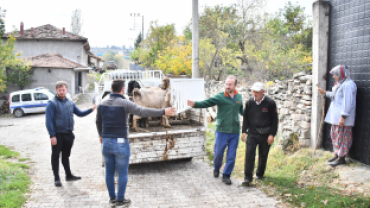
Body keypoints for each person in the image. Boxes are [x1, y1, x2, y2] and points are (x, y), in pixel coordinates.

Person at [96, 79, 176, 208]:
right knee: (122, 172)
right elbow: (143, 111)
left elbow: (98, 121)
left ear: (112, 89)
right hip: (121, 142)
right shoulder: (125, 103)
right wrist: (163, 112)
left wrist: (101, 135)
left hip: (106, 142)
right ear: (122, 90)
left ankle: (112, 199)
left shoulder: (102, 103)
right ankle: (120, 200)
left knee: (109, 172)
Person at [187, 75, 243, 185]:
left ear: (235, 86)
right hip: (222, 131)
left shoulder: (239, 97)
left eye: (230, 84)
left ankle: (226, 175)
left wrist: (249, 114)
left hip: (235, 131)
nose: (227, 86)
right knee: (218, 153)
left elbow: (241, 110)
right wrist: (195, 104)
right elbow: (207, 102)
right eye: (226, 84)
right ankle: (216, 167)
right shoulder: (220, 97)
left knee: (231, 155)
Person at [45, 81, 97, 187]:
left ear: (66, 90)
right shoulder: (52, 103)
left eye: (63, 90)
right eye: (60, 90)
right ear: (56, 91)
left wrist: (92, 109)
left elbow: (80, 113)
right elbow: (48, 120)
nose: (62, 92)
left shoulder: (70, 103)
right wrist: (52, 135)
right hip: (58, 135)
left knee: (65, 156)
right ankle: (56, 178)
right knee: (55, 156)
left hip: (69, 134)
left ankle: (68, 175)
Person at [318, 65, 357, 166]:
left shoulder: (349, 85)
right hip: (336, 117)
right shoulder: (340, 84)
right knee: (335, 135)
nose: (333, 77)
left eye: (335, 75)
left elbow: (348, 102)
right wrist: (325, 92)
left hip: (343, 118)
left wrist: (343, 117)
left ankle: (341, 158)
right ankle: (337, 154)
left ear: (341, 74)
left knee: (344, 137)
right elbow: (335, 96)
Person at [241, 82, 278, 186]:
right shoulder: (249, 103)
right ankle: (247, 178)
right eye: (253, 91)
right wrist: (244, 131)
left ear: (263, 92)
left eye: (257, 92)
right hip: (252, 132)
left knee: (263, 155)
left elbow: (275, 120)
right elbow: (246, 118)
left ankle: (260, 173)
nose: (254, 93)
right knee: (249, 154)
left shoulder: (270, 103)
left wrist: (272, 135)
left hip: (266, 133)